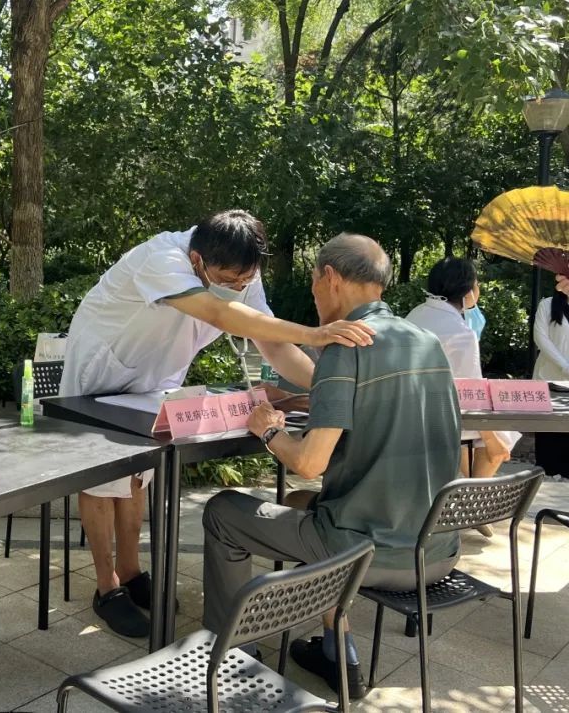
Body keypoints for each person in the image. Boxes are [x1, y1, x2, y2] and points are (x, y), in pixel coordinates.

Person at [60, 211, 376, 638]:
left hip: (155, 376)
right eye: (229, 281)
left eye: (245, 281)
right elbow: (218, 314)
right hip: (101, 370)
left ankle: (131, 572)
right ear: (197, 261)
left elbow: (273, 345)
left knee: (138, 474)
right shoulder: (161, 258)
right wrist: (316, 334)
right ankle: (107, 586)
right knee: (103, 480)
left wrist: (333, 386)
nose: (238, 288)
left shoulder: (243, 271)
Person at [202, 233, 461, 699]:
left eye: (314, 285)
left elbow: (308, 461)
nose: (314, 296)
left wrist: (267, 429)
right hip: (435, 550)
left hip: (369, 554)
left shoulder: (345, 346)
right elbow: (382, 407)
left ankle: (230, 653)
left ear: (330, 277)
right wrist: (307, 399)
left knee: (223, 512)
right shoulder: (427, 341)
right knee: (302, 503)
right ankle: (336, 649)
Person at [405, 257, 516, 492]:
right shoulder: (460, 333)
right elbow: (471, 394)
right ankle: (473, 498)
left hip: (409, 410)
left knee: (477, 435)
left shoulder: (415, 315)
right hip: (442, 418)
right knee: (501, 437)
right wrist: (492, 440)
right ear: (468, 291)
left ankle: (469, 493)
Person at [533, 273, 569, 477]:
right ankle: (546, 474)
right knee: (548, 434)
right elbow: (541, 338)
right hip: (547, 381)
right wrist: (565, 367)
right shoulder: (547, 305)